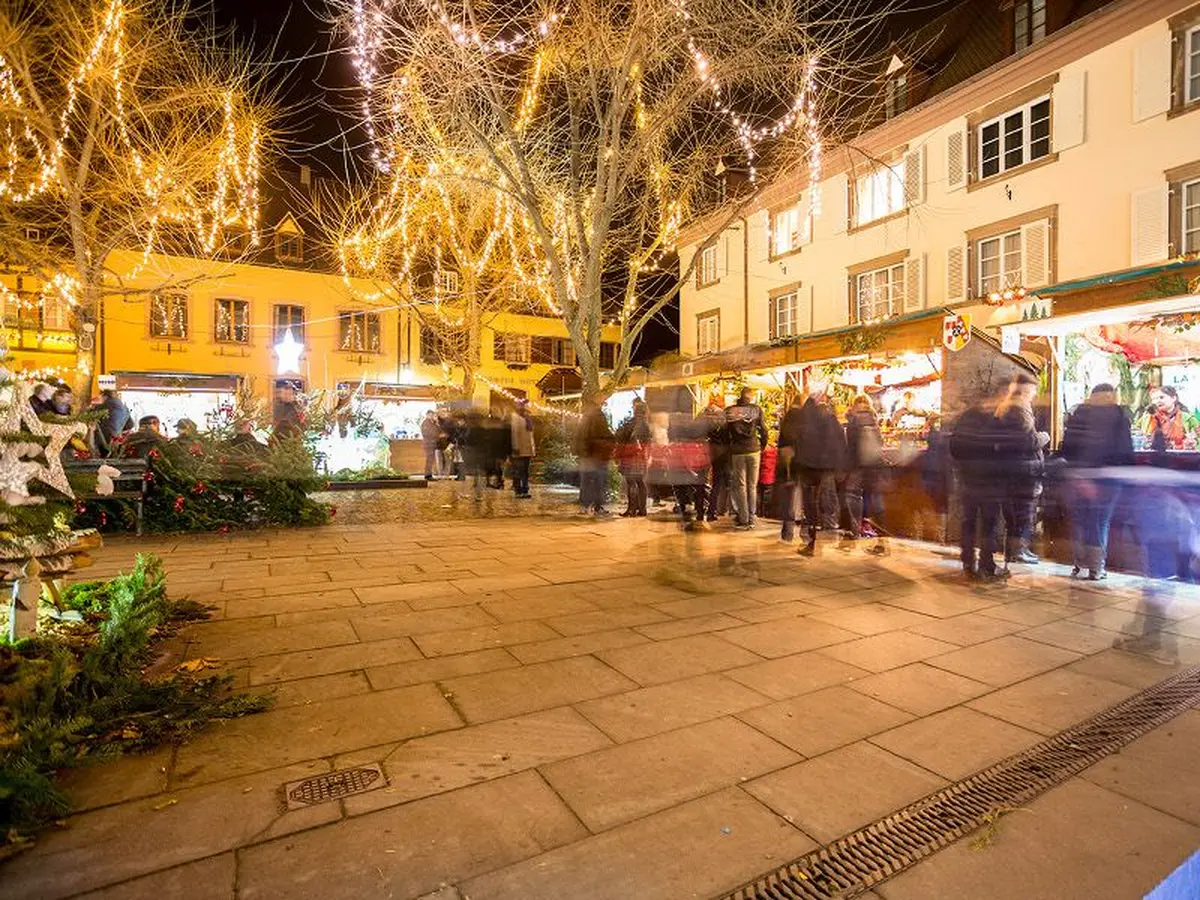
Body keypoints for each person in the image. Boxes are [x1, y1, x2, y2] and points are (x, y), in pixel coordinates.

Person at [1060, 383, 1135, 580]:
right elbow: (1126, 450)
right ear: (1112, 396)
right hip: (1107, 477)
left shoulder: (1079, 413)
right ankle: (1096, 568)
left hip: (1078, 476)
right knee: (1100, 520)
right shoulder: (1119, 416)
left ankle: (1079, 565)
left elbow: (1066, 447)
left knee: (1080, 521)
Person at [995, 373, 1048, 565]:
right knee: (1023, 512)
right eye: (1033, 390)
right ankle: (1018, 551)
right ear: (1025, 390)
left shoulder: (1007, 407)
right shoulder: (1018, 410)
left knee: (1015, 513)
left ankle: (1016, 550)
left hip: (1012, 469)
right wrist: (1044, 437)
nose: (1034, 394)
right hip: (1023, 470)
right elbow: (1026, 441)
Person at [795, 384, 847, 556]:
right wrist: (840, 465)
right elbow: (840, 443)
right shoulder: (831, 419)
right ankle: (830, 526)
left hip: (809, 466)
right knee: (826, 497)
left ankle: (811, 539)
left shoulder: (806, 418)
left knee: (810, 503)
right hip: (826, 467)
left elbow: (799, 441)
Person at [843, 395, 887, 554]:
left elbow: (850, 447)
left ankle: (855, 531)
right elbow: (880, 443)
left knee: (851, 495)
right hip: (875, 465)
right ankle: (882, 540)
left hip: (859, 466)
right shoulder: (874, 421)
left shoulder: (853, 421)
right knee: (876, 500)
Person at [725, 387, 768, 530]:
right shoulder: (756, 409)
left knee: (741, 486)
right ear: (750, 397)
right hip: (753, 449)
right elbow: (763, 429)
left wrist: (729, 447)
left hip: (737, 451)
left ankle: (743, 518)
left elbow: (725, 432)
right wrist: (762, 445)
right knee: (752, 485)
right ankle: (752, 517)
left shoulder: (730, 410)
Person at [573, 400, 614, 517]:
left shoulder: (584, 418)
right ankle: (597, 507)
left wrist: (580, 452)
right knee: (599, 482)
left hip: (586, 456)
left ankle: (585, 507)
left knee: (586, 482)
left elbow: (579, 437)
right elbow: (605, 435)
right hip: (597, 455)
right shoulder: (599, 417)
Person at [615, 399, 650, 516]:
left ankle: (631, 509)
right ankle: (642, 510)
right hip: (641, 456)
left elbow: (621, 437)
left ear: (635, 410)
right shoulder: (645, 424)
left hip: (630, 455)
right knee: (640, 481)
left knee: (631, 482)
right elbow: (648, 440)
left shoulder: (631, 423)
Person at [776, 396, 804, 542]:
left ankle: (787, 532)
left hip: (786, 461)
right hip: (798, 460)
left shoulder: (787, 417)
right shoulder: (801, 416)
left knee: (789, 496)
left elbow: (782, 440)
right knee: (801, 494)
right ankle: (802, 529)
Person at [1141, 386, 1199, 451]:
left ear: (1174, 398)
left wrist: (1192, 444)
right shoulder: (1148, 418)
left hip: (1182, 457)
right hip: (1155, 457)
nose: (1157, 401)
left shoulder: (1189, 419)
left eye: (1161, 397)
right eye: (1154, 399)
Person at [700, 395, 729, 522]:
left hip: (703, 450)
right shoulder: (722, 416)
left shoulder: (702, 414)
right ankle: (711, 512)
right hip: (719, 451)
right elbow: (726, 434)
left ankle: (700, 513)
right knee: (717, 482)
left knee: (700, 482)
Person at [509, 399, 536, 499]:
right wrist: (515, 447)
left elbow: (530, 436)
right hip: (519, 449)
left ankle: (525, 489)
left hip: (527, 449)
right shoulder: (515, 418)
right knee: (518, 470)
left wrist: (533, 449)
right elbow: (514, 434)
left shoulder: (528, 419)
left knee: (525, 471)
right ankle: (518, 490)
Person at [93, 390, 132, 456]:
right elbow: (130, 425)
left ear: (105, 396)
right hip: (116, 440)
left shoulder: (100, 407)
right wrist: (118, 430)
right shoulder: (125, 409)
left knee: (102, 460)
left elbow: (89, 418)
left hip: (102, 439)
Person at [421, 410, 441, 480]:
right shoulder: (425, 423)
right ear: (427, 415)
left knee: (431, 460)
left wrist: (437, 423)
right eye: (431, 415)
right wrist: (437, 435)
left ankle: (429, 474)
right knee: (429, 460)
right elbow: (427, 433)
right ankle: (428, 475)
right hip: (428, 444)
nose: (432, 416)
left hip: (432, 443)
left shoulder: (433, 423)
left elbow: (438, 430)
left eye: (433, 415)